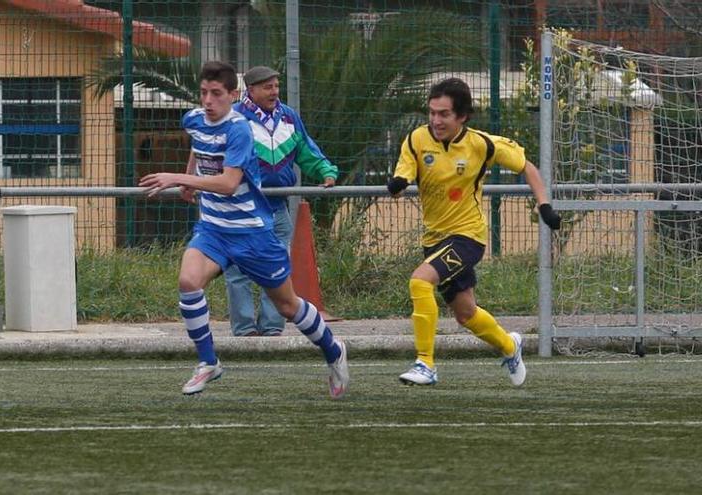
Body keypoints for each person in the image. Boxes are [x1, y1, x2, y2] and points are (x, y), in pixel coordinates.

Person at [139, 61, 349, 398]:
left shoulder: (239, 129)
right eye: (204, 93)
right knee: (188, 282)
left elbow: (228, 182)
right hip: (213, 229)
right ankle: (209, 363)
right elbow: (198, 144)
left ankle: (333, 350)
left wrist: (178, 178)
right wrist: (189, 176)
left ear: (233, 95)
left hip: (252, 231)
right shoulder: (192, 119)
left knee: (287, 306)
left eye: (217, 94)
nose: (208, 100)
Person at [386, 77, 561, 387]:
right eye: (432, 113)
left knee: (419, 281)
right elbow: (405, 169)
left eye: (444, 114)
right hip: (435, 240)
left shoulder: (481, 144)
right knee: (466, 314)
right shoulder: (416, 139)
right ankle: (510, 346)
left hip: (468, 237)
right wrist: (399, 183)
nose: (435, 121)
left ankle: (425, 364)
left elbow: (527, 167)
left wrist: (544, 204)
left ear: (462, 116)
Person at [226, 65, 338, 337]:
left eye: (276, 86)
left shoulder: (288, 117)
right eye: (268, 87)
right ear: (250, 90)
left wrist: (326, 171)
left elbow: (305, 150)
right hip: (243, 208)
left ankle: (272, 326)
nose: (274, 92)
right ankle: (244, 329)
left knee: (277, 267)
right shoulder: (235, 119)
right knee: (239, 269)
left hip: (277, 208)